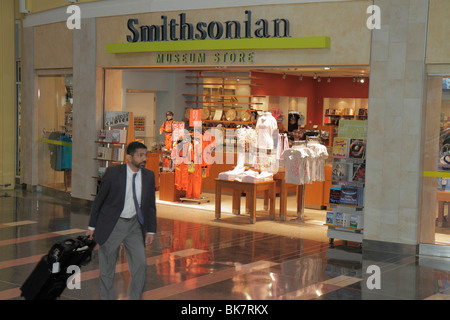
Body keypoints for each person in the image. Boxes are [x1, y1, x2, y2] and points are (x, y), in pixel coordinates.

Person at [86, 141, 157, 300]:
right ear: (129, 157)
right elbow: (99, 200)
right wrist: (92, 226)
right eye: (140, 155)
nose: (144, 158)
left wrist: (151, 230)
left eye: (145, 155)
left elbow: (150, 205)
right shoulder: (113, 173)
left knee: (140, 265)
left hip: (134, 225)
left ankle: (135, 297)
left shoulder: (149, 176)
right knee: (107, 268)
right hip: (113, 224)